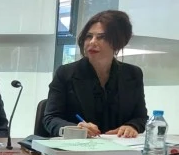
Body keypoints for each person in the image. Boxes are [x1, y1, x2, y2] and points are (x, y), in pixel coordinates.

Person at [43, 10, 147, 138]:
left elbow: (140, 117)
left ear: (118, 42)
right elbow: (50, 118)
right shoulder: (65, 73)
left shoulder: (133, 74)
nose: (92, 42)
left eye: (101, 37)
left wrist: (132, 126)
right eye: (89, 36)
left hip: (118, 145)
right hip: (78, 146)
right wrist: (75, 129)